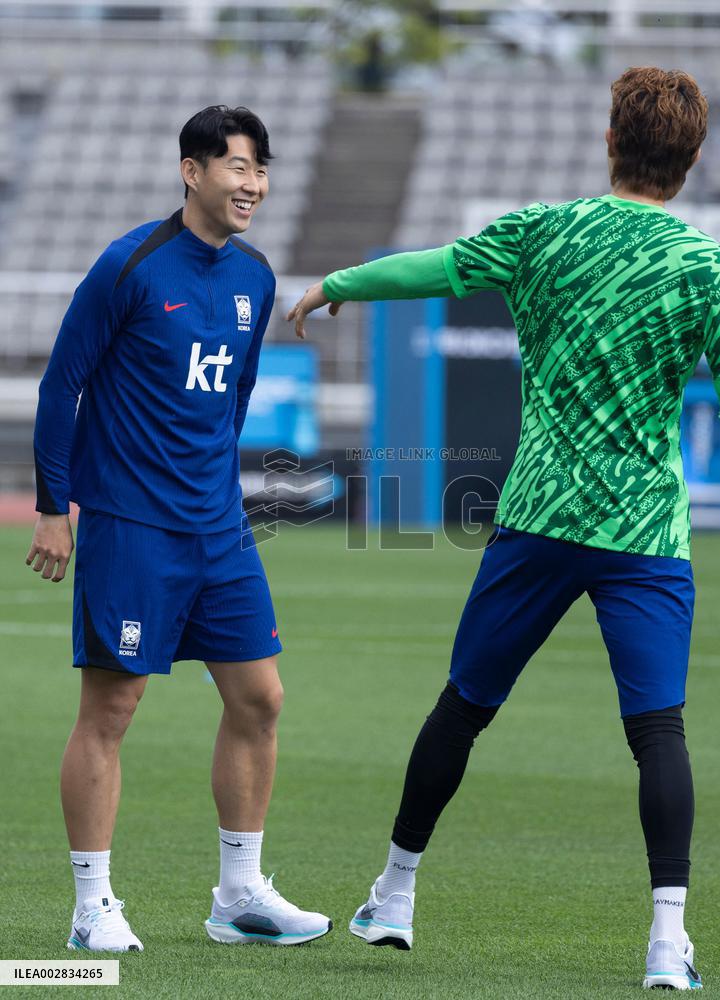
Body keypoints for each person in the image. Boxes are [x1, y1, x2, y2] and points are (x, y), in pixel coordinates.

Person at [288, 67, 720, 990]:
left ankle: (395, 893)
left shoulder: (545, 230)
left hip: (539, 516)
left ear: (610, 141)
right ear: (693, 159)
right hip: (645, 531)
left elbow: (434, 267)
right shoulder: (710, 265)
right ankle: (667, 941)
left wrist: (340, 282)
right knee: (659, 731)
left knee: (463, 707)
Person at [27, 105, 331, 953]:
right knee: (112, 708)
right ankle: (92, 907)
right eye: (238, 166)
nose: (253, 184)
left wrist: (213, 494)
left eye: (261, 169)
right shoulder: (128, 265)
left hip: (218, 527)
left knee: (260, 698)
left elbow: (235, 397)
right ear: (192, 172)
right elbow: (61, 387)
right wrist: (54, 508)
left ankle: (239, 895)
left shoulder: (256, 277)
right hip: (130, 526)